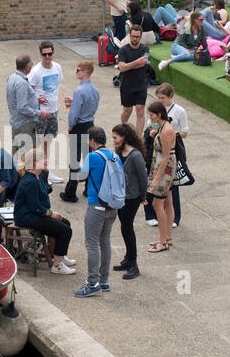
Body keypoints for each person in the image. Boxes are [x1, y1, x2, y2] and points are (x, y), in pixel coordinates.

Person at [12, 149, 75, 274]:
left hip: (35, 213)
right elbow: (34, 207)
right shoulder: (30, 181)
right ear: (35, 163)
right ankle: (57, 265)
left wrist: (50, 213)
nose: (46, 161)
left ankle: (59, 256)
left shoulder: (39, 175)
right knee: (65, 231)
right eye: (43, 159)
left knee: (65, 223)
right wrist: (51, 214)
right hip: (27, 216)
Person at [75, 127, 119, 298]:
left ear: (93, 140)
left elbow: (80, 177)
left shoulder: (92, 156)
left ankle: (92, 283)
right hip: (112, 206)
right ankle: (104, 281)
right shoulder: (114, 156)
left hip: (96, 205)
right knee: (105, 241)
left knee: (92, 243)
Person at [144, 83, 187, 228]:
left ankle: (174, 219)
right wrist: (154, 131)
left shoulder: (179, 111)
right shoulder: (155, 110)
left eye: (162, 97)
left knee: (171, 187)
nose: (160, 100)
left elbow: (185, 132)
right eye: (158, 97)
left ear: (170, 96)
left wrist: (169, 136)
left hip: (169, 150)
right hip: (155, 149)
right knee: (151, 182)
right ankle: (150, 215)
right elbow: (151, 125)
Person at [60, 60, 100, 202]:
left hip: (79, 126)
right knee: (88, 157)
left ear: (85, 72)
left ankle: (70, 192)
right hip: (90, 125)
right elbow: (92, 107)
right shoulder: (94, 89)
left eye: (78, 70)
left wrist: (70, 125)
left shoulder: (79, 91)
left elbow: (74, 114)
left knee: (75, 159)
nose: (76, 72)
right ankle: (89, 189)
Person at [111, 123, 146, 280]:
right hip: (121, 197)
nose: (114, 141)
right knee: (125, 228)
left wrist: (144, 197)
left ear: (124, 137)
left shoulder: (136, 155)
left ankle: (134, 264)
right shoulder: (119, 152)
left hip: (132, 198)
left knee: (127, 228)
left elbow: (143, 178)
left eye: (115, 138)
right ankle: (127, 259)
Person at [145, 101, 176, 252]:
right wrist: (153, 131)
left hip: (165, 169)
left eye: (151, 115)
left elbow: (164, 157)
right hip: (164, 167)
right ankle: (167, 237)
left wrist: (156, 179)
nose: (149, 118)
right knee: (168, 202)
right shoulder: (162, 126)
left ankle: (162, 242)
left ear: (159, 114)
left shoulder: (166, 131)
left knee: (157, 205)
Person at [28, 43, 63, 178]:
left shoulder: (57, 67)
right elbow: (28, 92)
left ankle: (46, 172)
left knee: (49, 141)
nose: (47, 57)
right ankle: (36, 172)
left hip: (54, 111)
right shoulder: (36, 71)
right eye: (44, 54)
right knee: (39, 144)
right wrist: (37, 100)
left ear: (53, 53)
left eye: (49, 54)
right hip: (40, 112)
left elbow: (55, 87)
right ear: (40, 54)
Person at [6, 55, 43, 159]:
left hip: (17, 123)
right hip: (24, 125)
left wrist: (36, 100)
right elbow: (22, 107)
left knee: (16, 155)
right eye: (31, 63)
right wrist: (39, 113)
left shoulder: (12, 77)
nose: (32, 66)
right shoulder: (21, 83)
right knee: (27, 157)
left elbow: (17, 98)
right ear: (27, 67)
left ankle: (15, 174)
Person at [116, 23, 150, 136]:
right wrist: (136, 62)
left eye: (137, 37)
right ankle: (123, 128)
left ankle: (139, 137)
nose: (135, 39)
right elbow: (121, 68)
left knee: (140, 110)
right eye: (133, 36)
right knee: (127, 110)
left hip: (141, 84)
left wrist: (127, 66)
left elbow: (143, 63)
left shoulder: (145, 48)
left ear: (140, 37)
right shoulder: (123, 50)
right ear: (130, 35)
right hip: (127, 85)